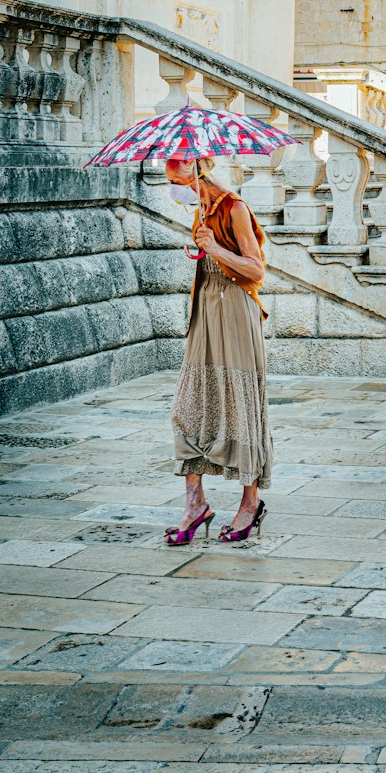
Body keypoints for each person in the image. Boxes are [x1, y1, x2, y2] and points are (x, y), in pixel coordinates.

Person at [163, 154, 272, 545]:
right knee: (187, 407)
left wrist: (216, 249)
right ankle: (196, 503)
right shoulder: (201, 212)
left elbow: (256, 270)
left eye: (177, 179)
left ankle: (250, 502)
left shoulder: (234, 207)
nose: (175, 188)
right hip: (205, 311)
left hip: (236, 314)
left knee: (240, 406)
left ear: (198, 172)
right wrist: (202, 250)